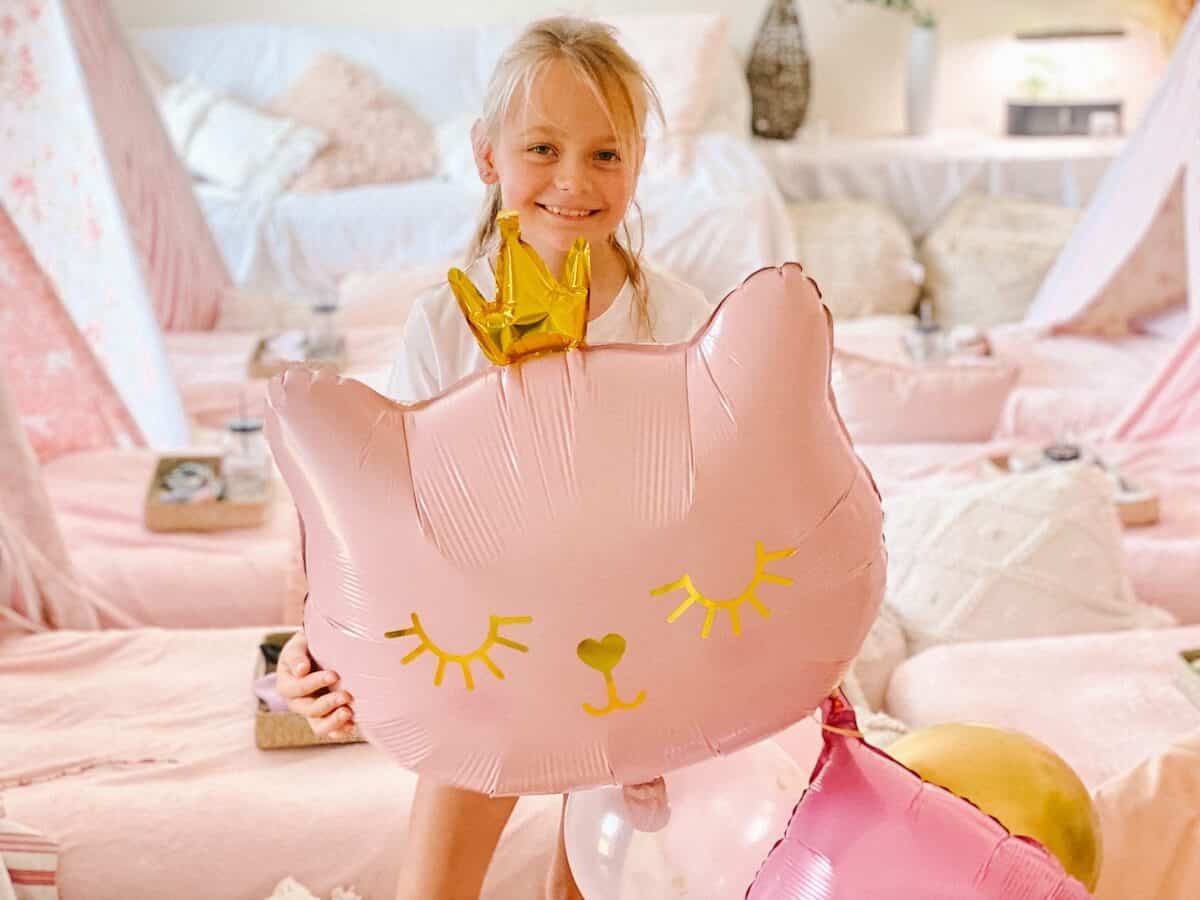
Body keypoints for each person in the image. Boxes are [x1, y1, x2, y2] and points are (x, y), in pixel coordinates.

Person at [276, 16, 714, 899]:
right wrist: (315, 641)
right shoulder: (446, 321)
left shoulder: (684, 319)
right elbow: (373, 507)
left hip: (636, 669)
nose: (572, 182)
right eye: (543, 148)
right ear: (487, 157)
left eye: (605, 155)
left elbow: (726, 497)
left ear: (637, 165)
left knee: (586, 885)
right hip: (495, 659)